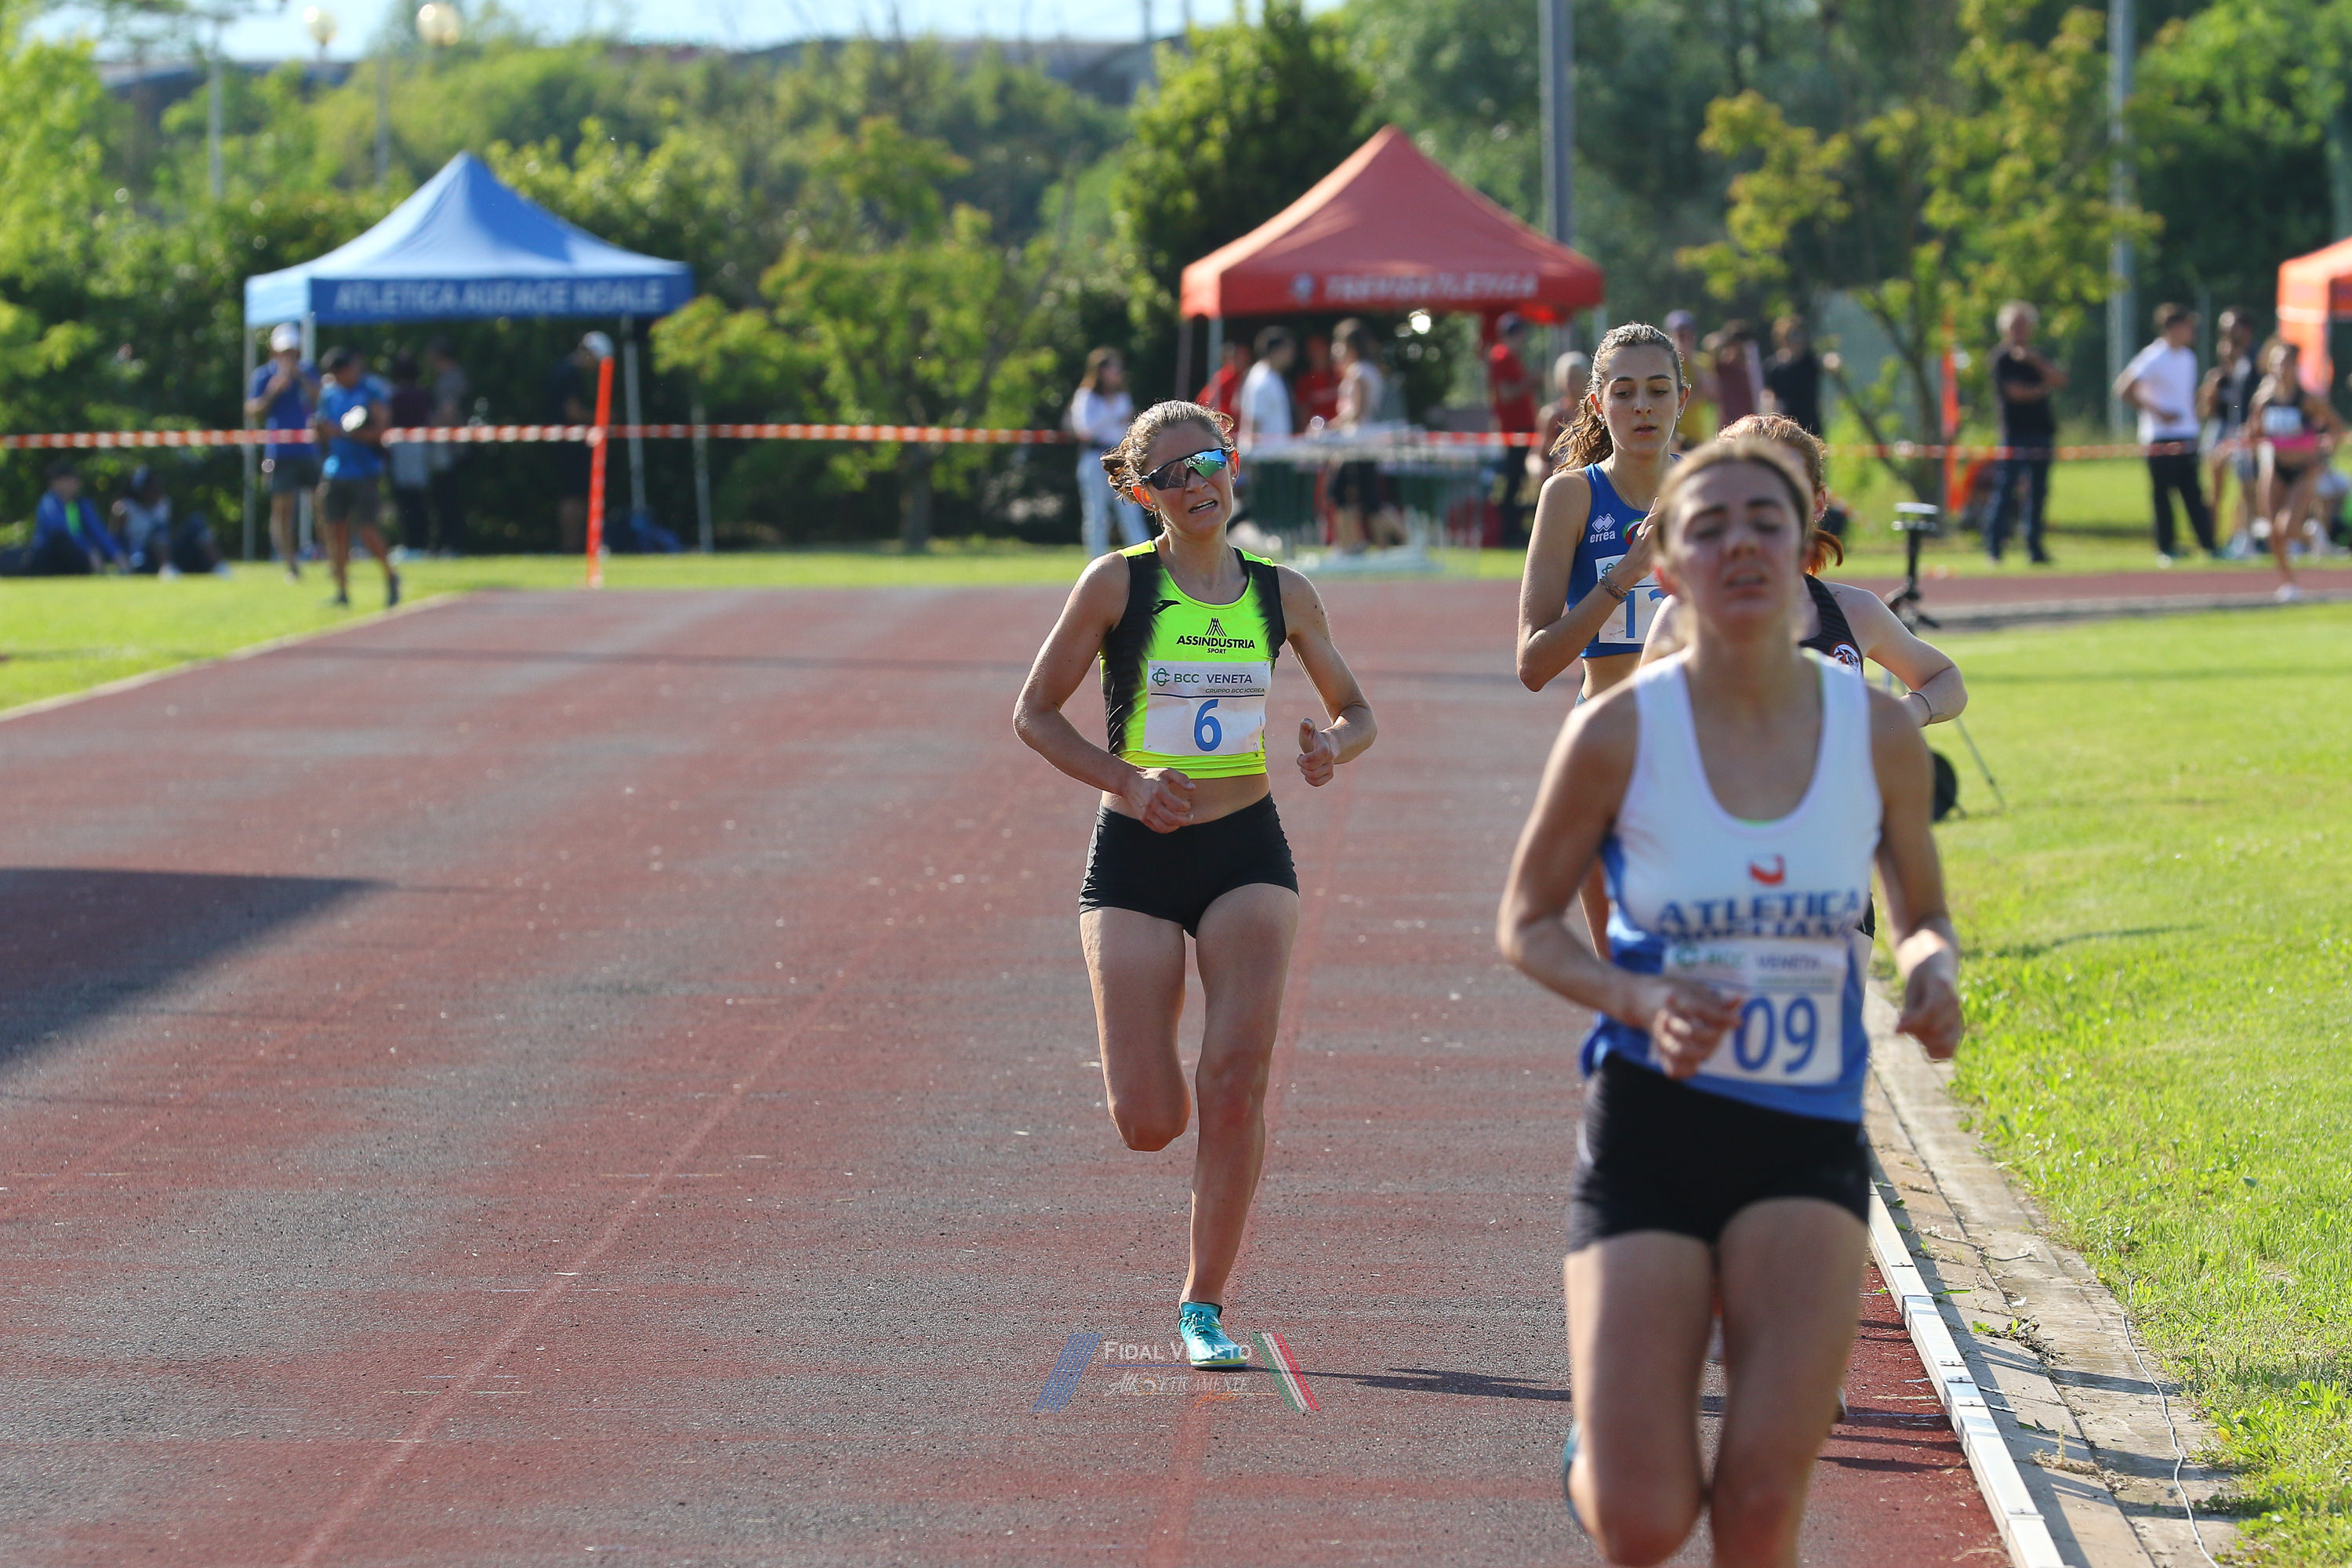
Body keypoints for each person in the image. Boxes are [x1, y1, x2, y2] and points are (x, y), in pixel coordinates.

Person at [1497, 436, 1964, 1566]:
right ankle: (1602, 1448)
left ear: (1807, 546)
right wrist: (1634, 993)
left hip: (1803, 1135)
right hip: (1653, 1130)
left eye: (1768, 520)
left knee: (1759, 1508)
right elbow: (1526, 923)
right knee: (1645, 1518)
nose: (1742, 545)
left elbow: (1921, 913)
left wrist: (1932, 969)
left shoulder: (1877, 731)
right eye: (1710, 527)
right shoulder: (1618, 731)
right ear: (1666, 564)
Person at [1011, 398, 1376, 1370]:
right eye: (1171, 474)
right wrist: (1128, 780)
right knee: (1150, 1121)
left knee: (1236, 1078)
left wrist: (1332, 745)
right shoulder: (1115, 583)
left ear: (1233, 465)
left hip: (1246, 852)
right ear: (1144, 494)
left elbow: (1357, 710)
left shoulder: (1284, 592)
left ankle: (1203, 1302)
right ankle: (1159, 1062)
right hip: (1135, 857)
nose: (1196, 483)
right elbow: (1034, 713)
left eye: (1207, 462)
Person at [1517, 322, 1688, 954]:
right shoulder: (1571, 496)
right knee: (1624, 974)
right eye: (1624, 392)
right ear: (1597, 402)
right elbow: (1534, 664)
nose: (1642, 406)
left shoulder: (1711, 492)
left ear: (1682, 400)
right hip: (1605, 748)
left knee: (1706, 967)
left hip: (1699, 747)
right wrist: (1625, 575)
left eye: (1658, 390)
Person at [2114, 303, 2216, 563]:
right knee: (2163, 495)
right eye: (2187, 326)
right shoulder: (2153, 356)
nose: (2191, 331)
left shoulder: (2188, 358)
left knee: (2193, 493)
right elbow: (2124, 389)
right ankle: (2166, 547)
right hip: (2160, 436)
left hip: (2187, 434)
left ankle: (2208, 545)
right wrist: (2158, 412)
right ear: (2173, 327)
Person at [2247, 338, 2341, 603]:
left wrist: (2322, 454)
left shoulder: (2307, 400)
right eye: (2277, 363)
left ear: (2295, 366)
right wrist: (2250, 438)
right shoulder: (2263, 399)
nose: (2281, 369)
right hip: (2275, 466)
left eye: (2286, 363)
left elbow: (2336, 427)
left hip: (2303, 468)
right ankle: (2288, 583)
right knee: (2272, 530)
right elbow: (2254, 432)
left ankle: (2311, 533)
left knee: (2286, 527)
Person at [312, 347, 401, 610]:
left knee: (367, 529)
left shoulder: (370, 391)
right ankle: (342, 591)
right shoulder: (329, 394)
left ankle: (391, 575)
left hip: (364, 471)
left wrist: (346, 433)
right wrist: (321, 431)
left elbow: (381, 432)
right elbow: (322, 432)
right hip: (335, 471)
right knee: (335, 532)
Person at [1987, 301, 2067, 564]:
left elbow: (2059, 380)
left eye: (2024, 325)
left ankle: (2035, 548)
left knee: (2039, 493)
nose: (2020, 331)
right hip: (2014, 434)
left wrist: (2036, 363)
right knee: (2005, 490)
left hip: (2041, 432)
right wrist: (2039, 390)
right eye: (2015, 326)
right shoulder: (2001, 358)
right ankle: (1994, 547)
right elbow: (2014, 393)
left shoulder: (2038, 356)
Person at [246, 321, 319, 582]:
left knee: (322, 505)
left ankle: (333, 561)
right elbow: (252, 411)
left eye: (291, 351)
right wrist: (272, 392)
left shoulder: (308, 371)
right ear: (274, 351)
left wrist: (300, 379)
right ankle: (290, 565)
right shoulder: (263, 376)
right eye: (283, 351)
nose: (287, 356)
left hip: (309, 450)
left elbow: (321, 399)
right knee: (282, 510)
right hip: (278, 453)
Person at [1330, 319, 1406, 550]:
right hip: (1363, 442)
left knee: (1348, 494)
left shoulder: (1359, 372)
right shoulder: (1370, 370)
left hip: (1358, 443)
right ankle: (1363, 543)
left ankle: (1398, 538)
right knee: (1365, 497)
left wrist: (1329, 428)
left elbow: (1356, 412)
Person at [1069, 348, 1150, 557]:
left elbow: (1126, 428)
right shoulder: (1086, 396)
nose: (1118, 374)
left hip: (1120, 459)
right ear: (1101, 371)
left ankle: (1142, 558)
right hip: (1094, 456)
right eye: (1113, 369)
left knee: (1130, 510)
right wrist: (1111, 414)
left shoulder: (1122, 396)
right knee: (1096, 514)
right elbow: (1084, 430)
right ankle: (1096, 561)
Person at [2198, 309, 2258, 553]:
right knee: (2215, 491)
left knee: (2245, 488)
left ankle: (2239, 536)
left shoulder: (2253, 365)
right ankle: (2211, 539)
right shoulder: (2218, 376)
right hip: (2221, 429)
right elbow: (2206, 410)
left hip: (2242, 430)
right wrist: (2212, 389)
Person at [550, 332, 609, 556]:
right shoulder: (570, 373)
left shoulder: (561, 369)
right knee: (573, 495)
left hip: (564, 441)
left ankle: (574, 545)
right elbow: (573, 412)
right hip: (570, 443)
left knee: (573, 494)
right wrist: (603, 417)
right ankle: (572, 546)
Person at [1489, 314, 1544, 545]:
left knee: (1520, 481)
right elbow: (1506, 394)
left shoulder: (1511, 358)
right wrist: (1531, 381)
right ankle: (1509, 531)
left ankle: (1516, 529)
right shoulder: (1501, 356)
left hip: (1523, 429)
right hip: (1515, 430)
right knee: (1514, 482)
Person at [111, 466, 223, 577]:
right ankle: (165, 568)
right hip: (142, 559)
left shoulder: (163, 504)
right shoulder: (124, 507)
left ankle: (218, 567)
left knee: (197, 521)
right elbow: (114, 538)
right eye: (151, 486)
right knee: (158, 530)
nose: (156, 490)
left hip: (169, 554)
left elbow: (168, 533)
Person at [22, 463, 122, 575]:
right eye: (70, 480)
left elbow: (98, 531)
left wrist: (117, 554)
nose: (75, 483)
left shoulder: (81, 504)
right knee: (59, 540)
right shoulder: (48, 503)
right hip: (49, 557)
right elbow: (60, 531)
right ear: (57, 482)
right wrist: (88, 550)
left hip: (74, 557)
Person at [386, 353, 436, 557]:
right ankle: (420, 543)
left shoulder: (397, 396)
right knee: (418, 497)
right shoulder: (423, 394)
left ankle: (414, 545)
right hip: (422, 446)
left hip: (403, 447)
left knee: (408, 497)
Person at [425, 337, 470, 556]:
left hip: (449, 446)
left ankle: (452, 544)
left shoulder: (450, 378)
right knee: (446, 496)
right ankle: (449, 542)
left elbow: (448, 412)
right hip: (450, 444)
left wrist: (431, 425)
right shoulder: (454, 376)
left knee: (447, 497)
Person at [1530, 350, 1591, 493]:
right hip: (1560, 487)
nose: (1573, 383)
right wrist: (1538, 468)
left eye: (1577, 377)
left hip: (1590, 485)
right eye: (1570, 377)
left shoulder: (1596, 415)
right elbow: (1535, 456)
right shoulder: (1552, 416)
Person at [1760, 315, 1827, 437]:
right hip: (1785, 426)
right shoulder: (1773, 366)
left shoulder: (1809, 362)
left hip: (1811, 424)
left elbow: (1825, 362)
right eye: (1794, 336)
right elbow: (1768, 394)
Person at [1664, 311, 1716, 453]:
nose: (1683, 340)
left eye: (1687, 335)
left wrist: (1691, 359)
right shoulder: (1665, 364)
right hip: (1673, 437)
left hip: (1698, 436)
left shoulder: (1702, 362)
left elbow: (1711, 391)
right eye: (1679, 335)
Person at [1236, 326, 1297, 444]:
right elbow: (1253, 423)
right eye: (1289, 349)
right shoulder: (1261, 379)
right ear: (1275, 351)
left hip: (1276, 451)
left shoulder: (1273, 376)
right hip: (1264, 453)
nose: (1292, 354)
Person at [1711, 321, 1762, 430]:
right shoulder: (1724, 368)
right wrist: (1724, 341)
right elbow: (1711, 345)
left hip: (1750, 424)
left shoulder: (1751, 369)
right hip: (1728, 424)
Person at [1196, 340, 1250, 423]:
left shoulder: (1245, 376)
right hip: (1222, 422)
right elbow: (1206, 401)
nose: (1244, 360)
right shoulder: (1226, 375)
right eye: (1240, 357)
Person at [1295, 335, 1341, 429]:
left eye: (1320, 348)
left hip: (1342, 430)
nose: (1317, 353)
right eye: (1313, 350)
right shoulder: (1305, 382)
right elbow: (1303, 413)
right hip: (1318, 432)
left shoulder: (1339, 374)